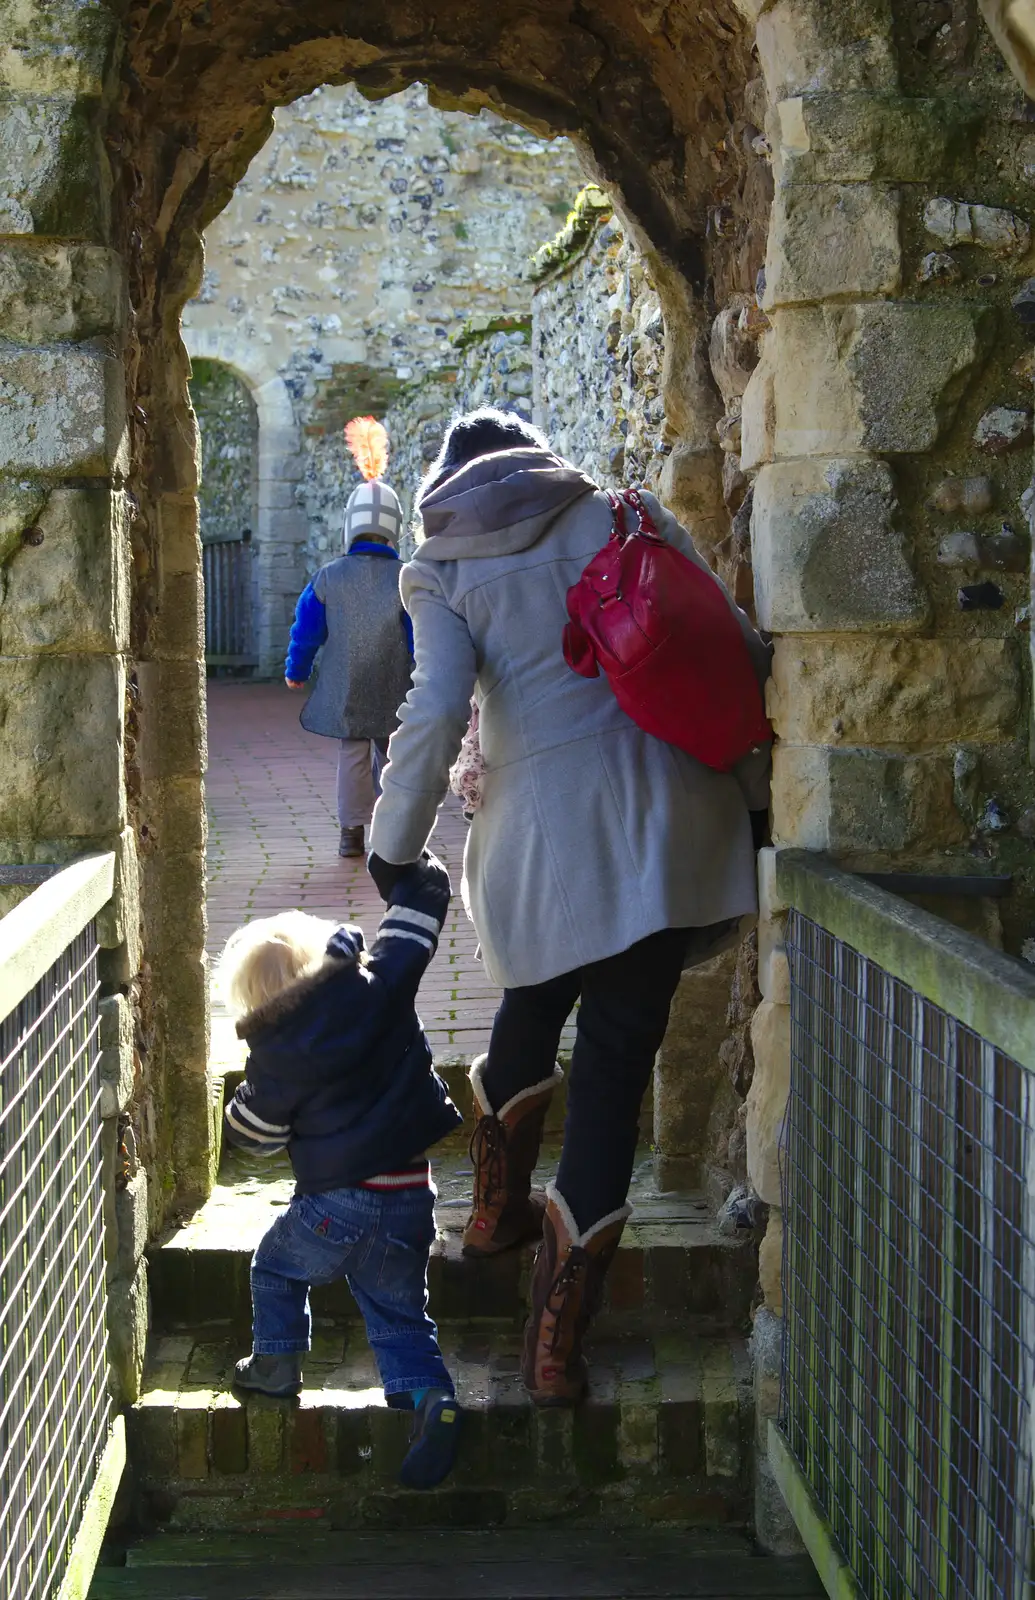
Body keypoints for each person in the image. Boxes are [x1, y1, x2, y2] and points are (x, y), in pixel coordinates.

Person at [367, 408, 772, 1407]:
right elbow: (737, 643)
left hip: (543, 836)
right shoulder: (622, 511)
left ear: (448, 486)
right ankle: (558, 1347)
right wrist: (757, 794)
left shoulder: (443, 567)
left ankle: (493, 1217)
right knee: (613, 1068)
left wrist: (391, 838)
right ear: (539, 460)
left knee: (530, 1007)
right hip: (669, 821)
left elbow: (433, 708)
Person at [218, 853, 463, 1490]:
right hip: (410, 1194)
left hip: (336, 1203)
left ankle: (275, 1367)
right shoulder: (379, 984)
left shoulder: (275, 1058)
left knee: (274, 1266)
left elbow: (256, 1138)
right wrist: (414, 865)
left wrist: (238, 1106)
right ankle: (430, 1399)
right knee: (401, 1313)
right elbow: (415, 926)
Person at [285, 418, 413, 859]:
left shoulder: (328, 577)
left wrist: (296, 671)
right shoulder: (405, 578)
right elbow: (418, 634)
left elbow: (307, 630)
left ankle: (350, 833)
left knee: (354, 755)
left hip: (347, 684)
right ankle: (393, 829)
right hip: (398, 681)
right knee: (393, 754)